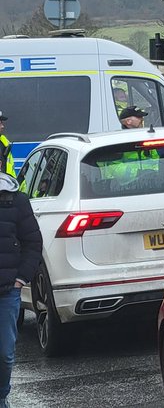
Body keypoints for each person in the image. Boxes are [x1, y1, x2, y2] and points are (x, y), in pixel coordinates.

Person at [0, 171, 42, 408]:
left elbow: (33, 241)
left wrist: (21, 279)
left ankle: (1, 395)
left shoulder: (16, 199)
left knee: (4, 354)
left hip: (7, 292)